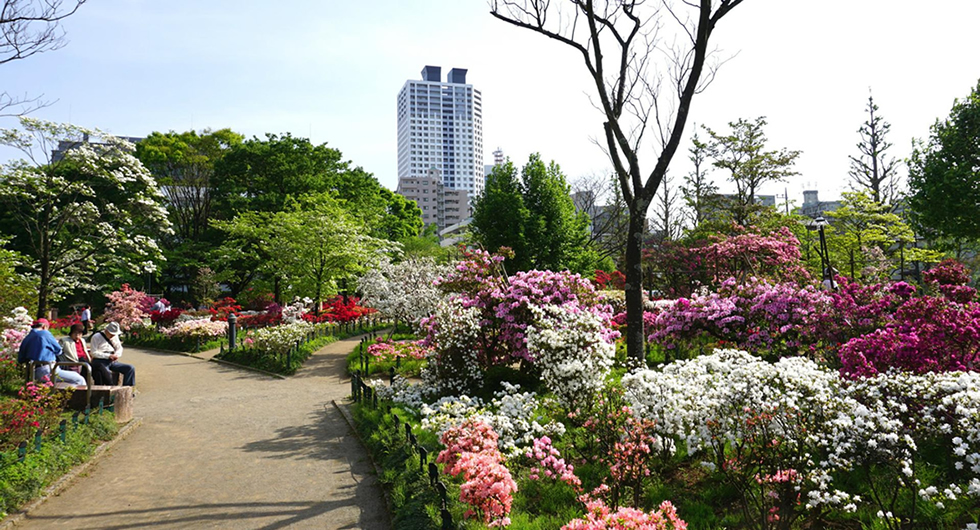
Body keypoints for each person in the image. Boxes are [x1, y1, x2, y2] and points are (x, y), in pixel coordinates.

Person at [18, 318, 88, 387]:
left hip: (33, 370)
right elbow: (58, 350)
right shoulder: (44, 333)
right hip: (47, 369)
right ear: (44, 326)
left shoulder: (28, 337)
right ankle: (80, 397)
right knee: (79, 379)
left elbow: (21, 358)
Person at [90, 322, 136, 387]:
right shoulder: (96, 337)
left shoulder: (115, 337)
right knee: (106, 373)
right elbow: (93, 353)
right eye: (111, 334)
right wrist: (108, 356)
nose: (113, 335)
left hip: (112, 361)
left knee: (130, 368)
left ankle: (127, 388)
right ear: (106, 330)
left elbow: (119, 348)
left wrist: (116, 355)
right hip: (100, 361)